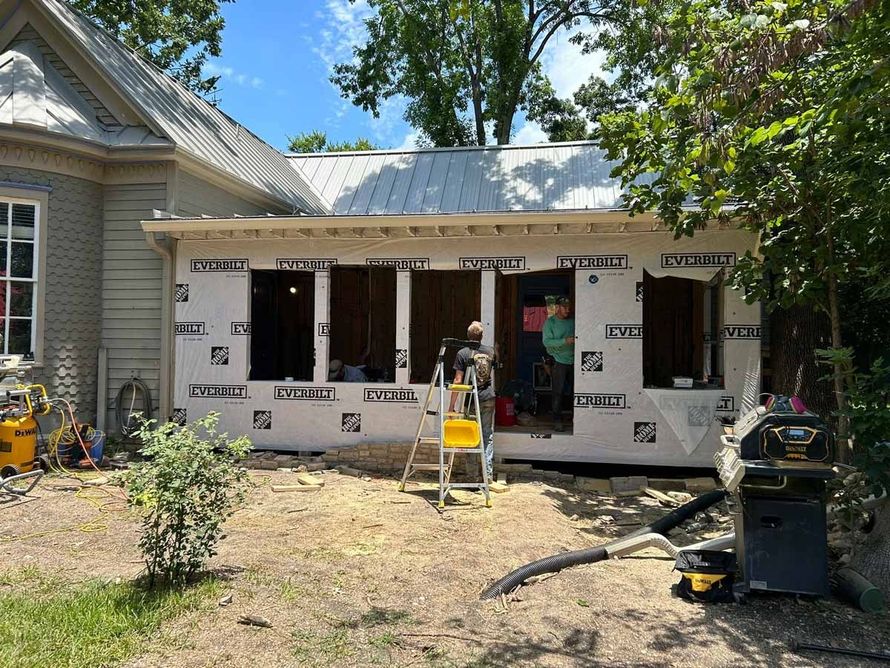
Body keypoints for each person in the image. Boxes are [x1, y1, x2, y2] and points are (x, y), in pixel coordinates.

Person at [449, 321, 496, 480]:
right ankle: (487, 475)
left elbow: (457, 380)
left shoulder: (463, 353)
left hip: (471, 400)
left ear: (468, 336)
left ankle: (472, 477)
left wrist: (452, 405)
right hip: (488, 397)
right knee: (487, 435)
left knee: (471, 436)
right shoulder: (490, 352)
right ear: (482, 336)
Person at [542, 296, 575, 431]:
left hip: (574, 361)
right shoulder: (550, 323)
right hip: (558, 361)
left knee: (577, 392)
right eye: (564, 307)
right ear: (557, 308)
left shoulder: (573, 322)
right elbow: (547, 342)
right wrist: (564, 341)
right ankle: (557, 420)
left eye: (569, 307)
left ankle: (576, 418)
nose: (567, 309)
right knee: (558, 392)